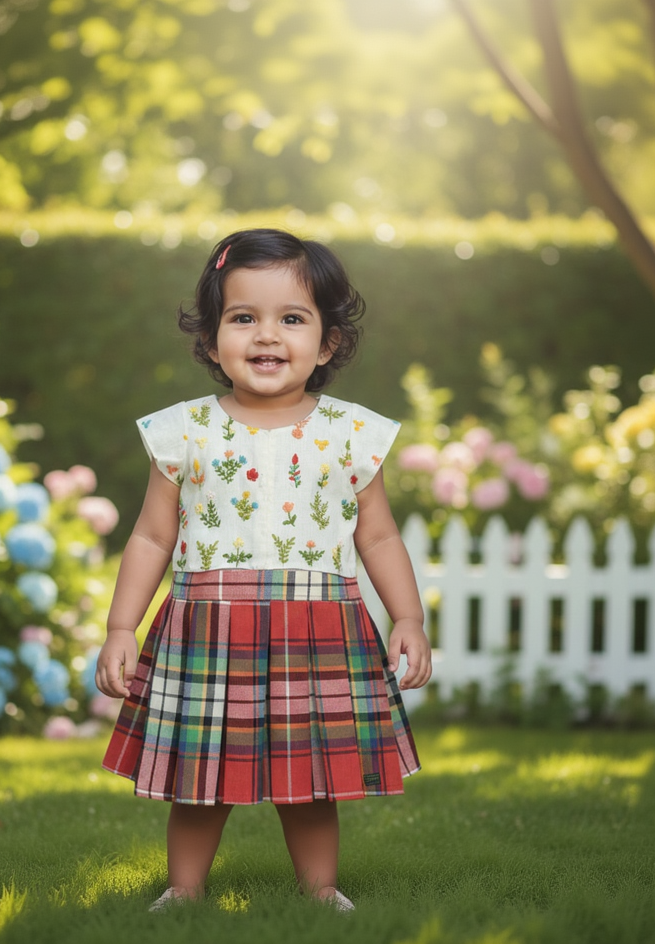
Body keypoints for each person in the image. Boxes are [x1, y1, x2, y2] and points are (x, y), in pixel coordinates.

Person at [96, 228, 432, 913]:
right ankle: (184, 890)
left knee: (310, 781)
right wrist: (120, 626)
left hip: (318, 629)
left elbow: (380, 535)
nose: (266, 335)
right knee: (200, 777)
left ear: (328, 342)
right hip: (208, 630)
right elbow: (153, 536)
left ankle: (321, 889)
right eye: (243, 318)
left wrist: (408, 616)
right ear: (213, 338)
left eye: (291, 319)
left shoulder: (349, 433)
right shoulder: (184, 431)